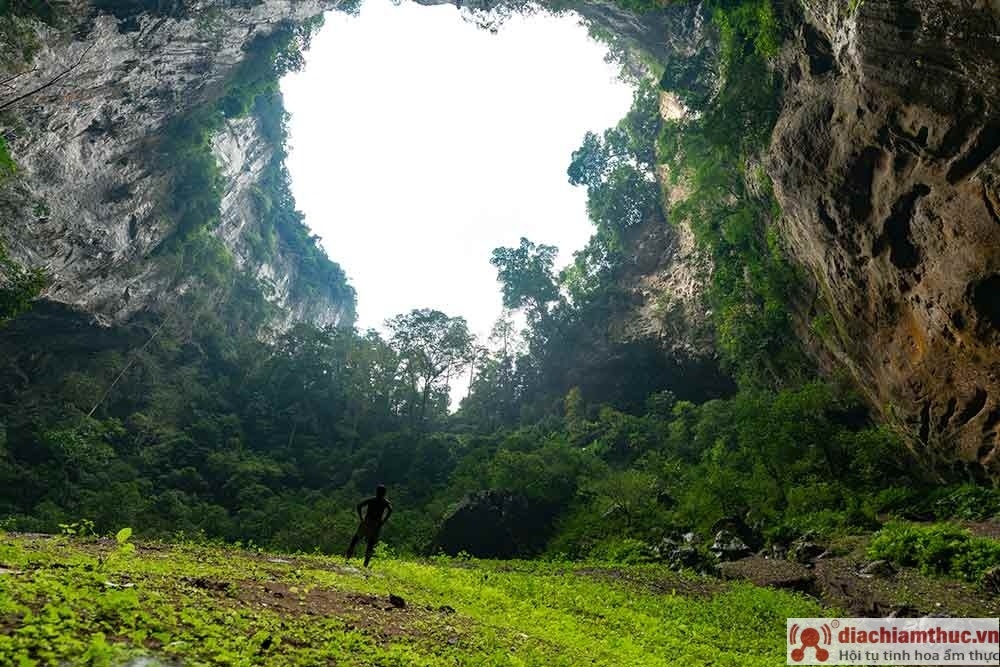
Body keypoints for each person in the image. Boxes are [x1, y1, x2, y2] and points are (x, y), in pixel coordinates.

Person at [346, 484, 393, 567]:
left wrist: (361, 518)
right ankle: (365, 564)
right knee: (370, 544)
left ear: (377, 492)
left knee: (355, 540)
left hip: (367, 522)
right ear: (384, 493)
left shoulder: (372, 500)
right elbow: (390, 510)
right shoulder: (384, 502)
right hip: (376, 524)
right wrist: (383, 521)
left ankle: (347, 559)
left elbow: (359, 506)